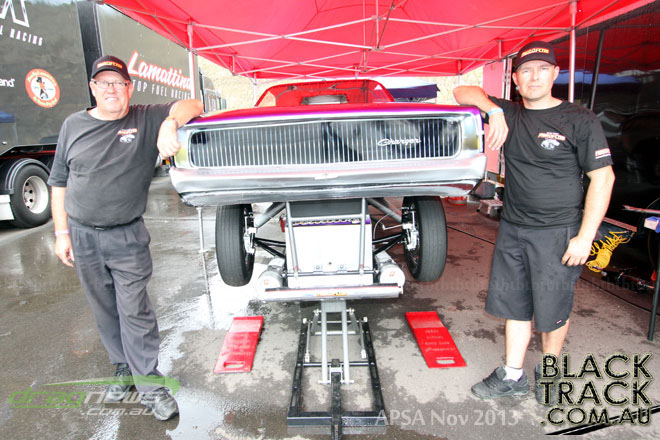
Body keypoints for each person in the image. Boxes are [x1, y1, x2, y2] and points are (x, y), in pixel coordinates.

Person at [453, 41, 615, 405]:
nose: (534, 77)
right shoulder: (510, 112)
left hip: (558, 232)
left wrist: (585, 237)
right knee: (514, 303)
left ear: (555, 74)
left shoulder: (579, 120)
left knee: (552, 308)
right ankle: (512, 375)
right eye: (526, 71)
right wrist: (494, 111)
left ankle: (551, 372)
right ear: (515, 79)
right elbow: (462, 92)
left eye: (542, 69)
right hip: (513, 227)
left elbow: (603, 178)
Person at [48, 55, 203, 420]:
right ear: (93, 88)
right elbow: (58, 182)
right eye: (104, 83)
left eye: (119, 83)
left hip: (127, 236)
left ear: (129, 88)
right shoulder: (72, 125)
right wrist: (61, 232)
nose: (112, 90)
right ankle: (122, 368)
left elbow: (194, 104)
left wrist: (169, 124)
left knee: (134, 310)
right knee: (104, 309)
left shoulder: (145, 118)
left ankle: (149, 385)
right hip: (83, 236)